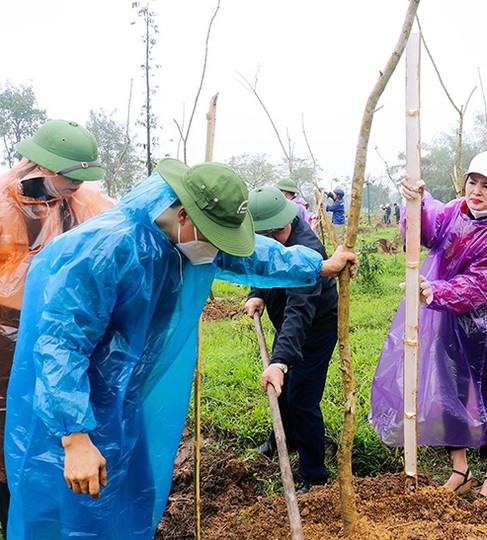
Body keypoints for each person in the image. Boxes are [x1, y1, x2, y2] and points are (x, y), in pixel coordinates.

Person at [4, 158, 356, 539]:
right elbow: (60, 345)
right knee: (76, 512)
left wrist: (319, 265)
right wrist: (74, 436)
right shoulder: (105, 250)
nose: (217, 249)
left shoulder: (189, 240)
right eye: (213, 237)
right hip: (74, 406)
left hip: (123, 402)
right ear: (184, 215)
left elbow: (253, 255)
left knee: (128, 499)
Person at [369, 151, 487, 499]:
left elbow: (480, 286)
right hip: (447, 314)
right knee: (451, 388)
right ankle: (461, 469)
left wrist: (433, 291)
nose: (477, 191)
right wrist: (418, 203)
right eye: (472, 181)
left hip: (485, 324)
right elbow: (426, 232)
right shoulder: (455, 210)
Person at [0, 119, 115, 536]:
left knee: (53, 425)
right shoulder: (4, 204)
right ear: (39, 166)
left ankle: (50, 508)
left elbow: (118, 235)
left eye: (79, 180)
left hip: (63, 332)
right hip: (5, 339)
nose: (73, 187)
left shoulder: (84, 203)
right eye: (68, 179)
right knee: (7, 430)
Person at [244, 187, 338, 495]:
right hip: (286, 325)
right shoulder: (268, 241)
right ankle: (281, 439)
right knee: (283, 393)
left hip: (314, 330)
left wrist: (279, 361)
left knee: (301, 398)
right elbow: (260, 266)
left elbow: (299, 313)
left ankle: (314, 476)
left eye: (276, 233)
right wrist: (256, 294)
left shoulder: (307, 251)